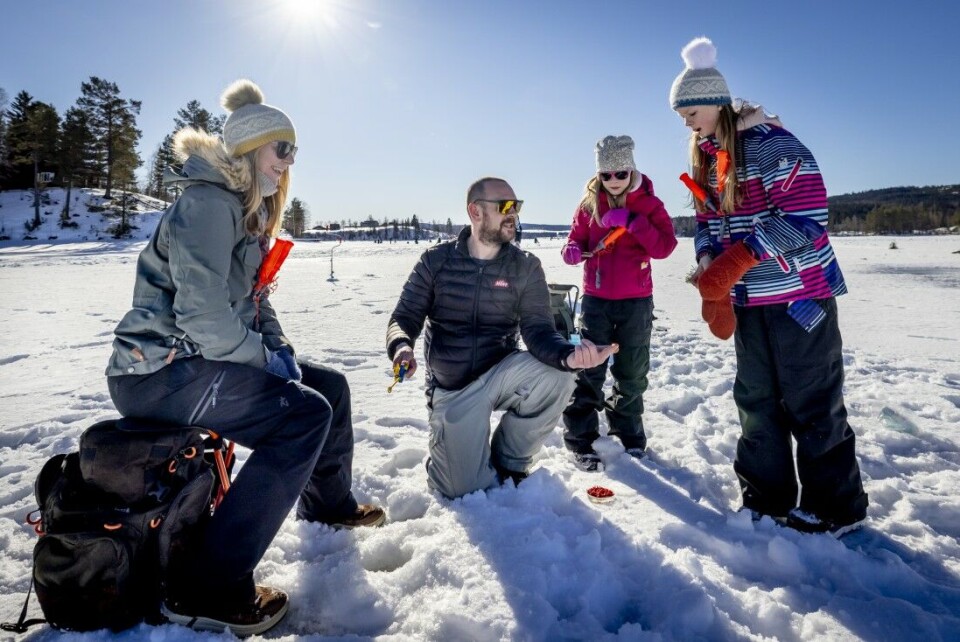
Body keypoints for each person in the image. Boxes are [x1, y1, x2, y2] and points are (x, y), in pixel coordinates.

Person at [105, 79, 384, 636]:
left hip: (198, 362)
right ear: (249, 148)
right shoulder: (208, 204)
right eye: (282, 148)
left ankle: (327, 504)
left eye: (294, 151)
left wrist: (280, 353)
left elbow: (254, 303)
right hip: (158, 371)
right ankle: (208, 586)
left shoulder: (244, 212)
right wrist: (262, 364)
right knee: (302, 418)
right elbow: (203, 315)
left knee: (327, 389)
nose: (290, 160)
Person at [669, 37, 869, 536]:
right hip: (749, 301)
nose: (686, 122)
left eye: (691, 112)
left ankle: (836, 507)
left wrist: (740, 257)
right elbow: (706, 220)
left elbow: (807, 216)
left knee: (811, 399)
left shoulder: (772, 145)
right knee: (755, 400)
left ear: (716, 102)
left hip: (799, 298)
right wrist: (710, 263)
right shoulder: (708, 159)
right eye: (681, 115)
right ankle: (766, 496)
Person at [386, 177, 618, 499]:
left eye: (516, 206)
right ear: (475, 212)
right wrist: (401, 346)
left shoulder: (525, 266)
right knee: (460, 489)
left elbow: (539, 329)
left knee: (559, 375)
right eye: (505, 206)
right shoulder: (436, 261)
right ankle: (453, 457)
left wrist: (567, 355)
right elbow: (404, 317)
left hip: (501, 375)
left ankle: (510, 462)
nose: (513, 213)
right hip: (453, 388)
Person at [560, 135, 678, 471]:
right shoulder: (589, 206)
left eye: (620, 173)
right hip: (596, 301)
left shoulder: (649, 204)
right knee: (589, 368)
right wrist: (571, 251)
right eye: (606, 174)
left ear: (631, 169)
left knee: (632, 371)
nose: (613, 180)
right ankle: (580, 438)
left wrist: (633, 223)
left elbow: (664, 247)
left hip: (636, 303)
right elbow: (574, 241)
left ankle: (628, 433)